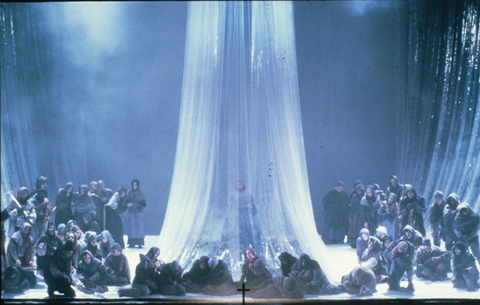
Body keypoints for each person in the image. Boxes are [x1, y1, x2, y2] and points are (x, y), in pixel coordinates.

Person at [227, 178, 260, 252]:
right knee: (239, 228)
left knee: (247, 227)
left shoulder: (247, 193)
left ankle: (248, 245)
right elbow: (230, 204)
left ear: (243, 185)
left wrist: (245, 206)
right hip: (236, 214)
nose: (239, 185)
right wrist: (236, 206)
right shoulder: (232, 194)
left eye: (241, 184)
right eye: (238, 184)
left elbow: (251, 203)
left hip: (245, 214)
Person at [125, 179, 146, 248]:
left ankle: (140, 243)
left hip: (138, 212)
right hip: (131, 212)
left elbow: (143, 204)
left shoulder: (140, 193)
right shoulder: (129, 192)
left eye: (136, 184)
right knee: (132, 228)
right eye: (133, 184)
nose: (134, 186)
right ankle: (132, 243)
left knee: (138, 228)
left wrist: (133, 204)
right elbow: (127, 201)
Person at [348, 183, 365, 248]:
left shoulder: (364, 197)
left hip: (360, 216)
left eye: (360, 191)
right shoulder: (354, 197)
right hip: (354, 215)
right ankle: (353, 243)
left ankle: (359, 244)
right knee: (353, 229)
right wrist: (350, 216)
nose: (359, 192)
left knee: (359, 230)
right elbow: (351, 207)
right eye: (358, 190)